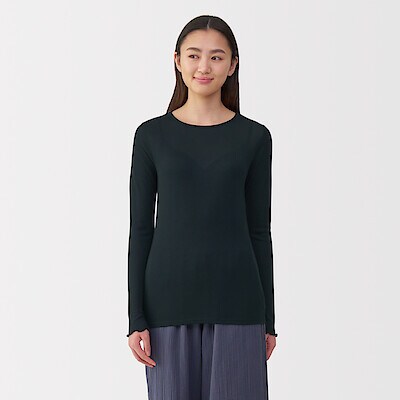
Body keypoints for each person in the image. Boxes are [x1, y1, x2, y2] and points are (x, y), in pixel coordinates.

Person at [127, 14, 278, 400]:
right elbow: (141, 230)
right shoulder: (151, 136)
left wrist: (268, 320)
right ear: (177, 61)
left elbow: (259, 231)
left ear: (232, 65)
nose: (204, 67)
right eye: (194, 55)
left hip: (239, 304)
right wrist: (135, 317)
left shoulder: (254, 138)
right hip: (166, 305)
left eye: (216, 57)